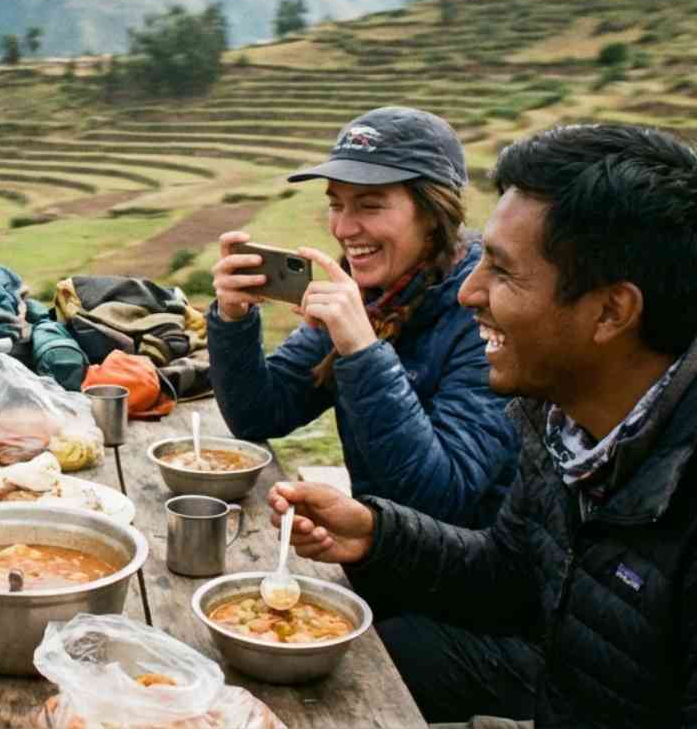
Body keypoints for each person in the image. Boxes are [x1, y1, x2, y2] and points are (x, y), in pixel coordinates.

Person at [270, 123, 697, 728]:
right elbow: (510, 578)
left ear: (610, 311)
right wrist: (376, 534)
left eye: (503, 271)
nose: (469, 292)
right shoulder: (562, 428)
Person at [208, 106, 518, 527]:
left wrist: (363, 352)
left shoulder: (490, 315)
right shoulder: (374, 298)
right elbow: (258, 414)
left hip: (469, 564)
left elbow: (442, 499)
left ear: (433, 214)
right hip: (380, 548)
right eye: (336, 204)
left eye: (369, 206)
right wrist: (234, 321)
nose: (343, 228)